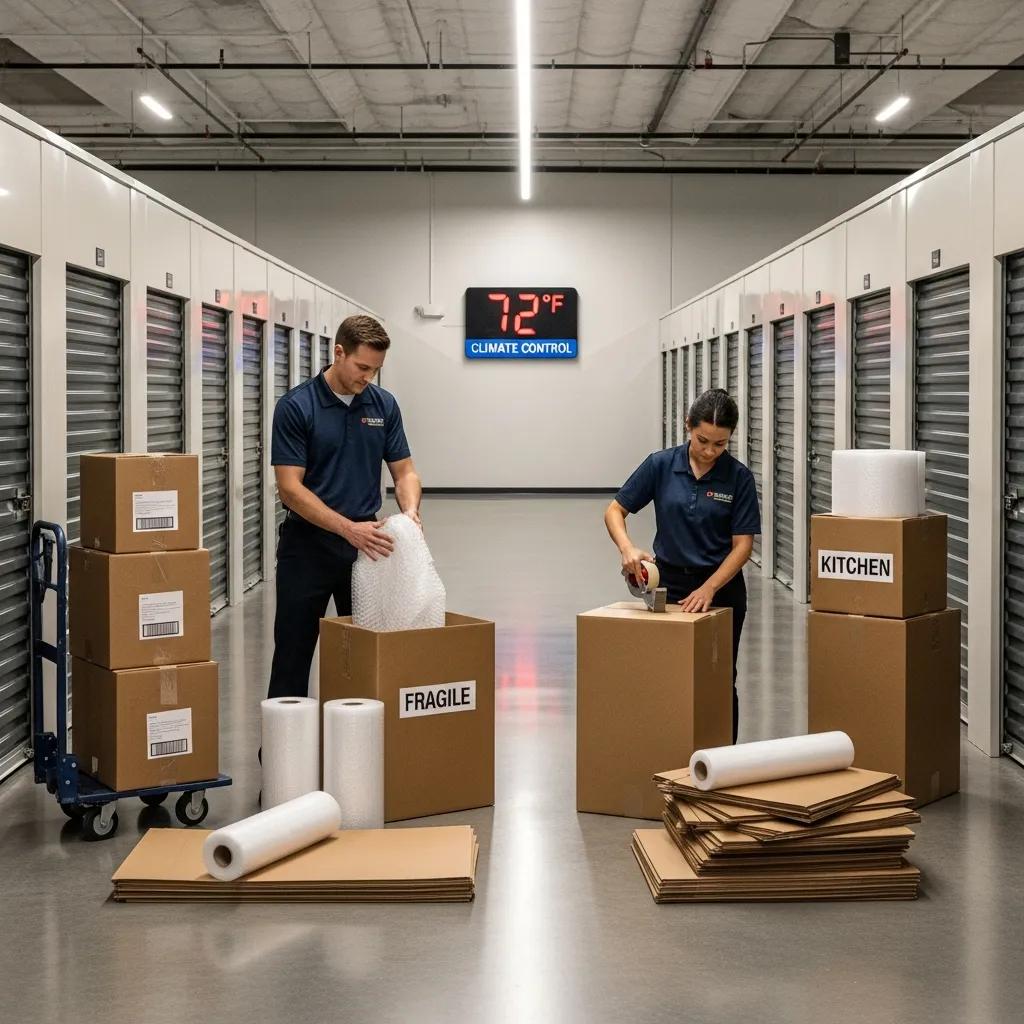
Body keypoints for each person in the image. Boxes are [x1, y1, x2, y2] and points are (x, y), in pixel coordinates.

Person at [268, 314, 422, 700]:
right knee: (293, 652)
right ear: (339, 353)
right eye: (362, 367)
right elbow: (289, 489)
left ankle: (360, 744)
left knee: (366, 651)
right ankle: (280, 753)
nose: (368, 377)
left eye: (376, 370)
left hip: (365, 547)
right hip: (307, 547)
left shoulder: (383, 405)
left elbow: (405, 473)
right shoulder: (297, 407)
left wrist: (410, 511)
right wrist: (345, 528)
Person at [604, 389, 761, 743]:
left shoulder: (738, 478)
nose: (709, 451)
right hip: (668, 586)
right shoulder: (661, 465)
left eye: (719, 445)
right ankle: (667, 749)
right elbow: (615, 510)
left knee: (719, 678)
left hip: (721, 591)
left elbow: (743, 547)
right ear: (688, 426)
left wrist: (709, 589)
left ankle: (720, 758)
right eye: (702, 440)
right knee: (666, 673)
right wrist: (627, 548)